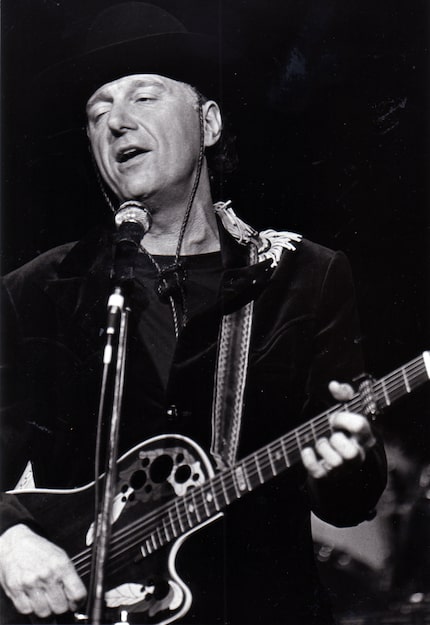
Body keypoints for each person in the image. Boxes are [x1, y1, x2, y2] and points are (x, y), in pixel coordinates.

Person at [0, 3, 386, 624]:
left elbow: (349, 504)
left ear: (208, 123)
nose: (117, 123)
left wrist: (349, 461)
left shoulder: (303, 277)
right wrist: (8, 539)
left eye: (143, 98)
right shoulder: (36, 292)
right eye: (98, 114)